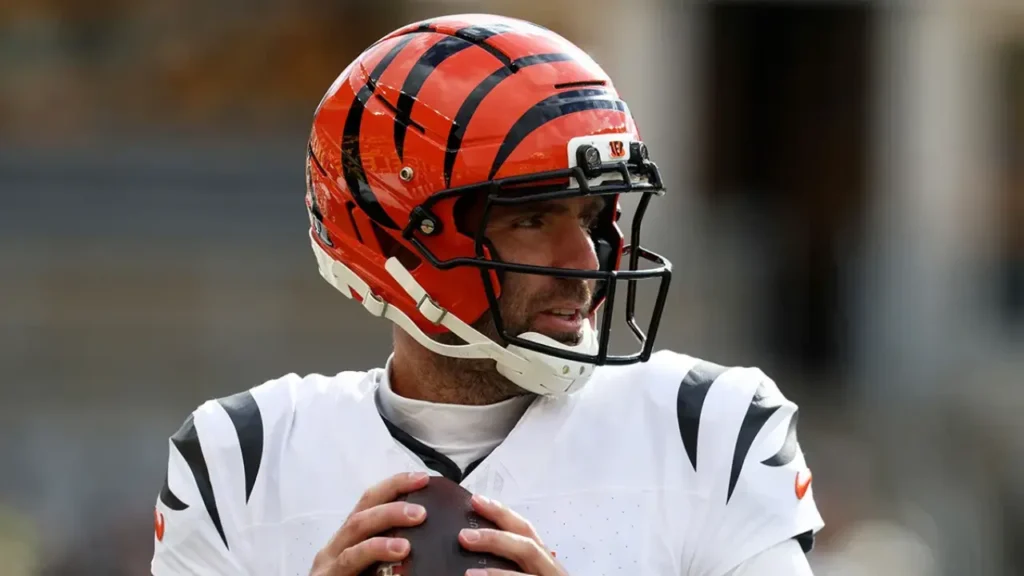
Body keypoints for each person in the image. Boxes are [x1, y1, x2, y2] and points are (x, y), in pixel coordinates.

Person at [150, 13, 823, 576]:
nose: (584, 260)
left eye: (592, 217)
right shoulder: (242, 460)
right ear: (398, 238)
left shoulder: (708, 430)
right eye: (531, 220)